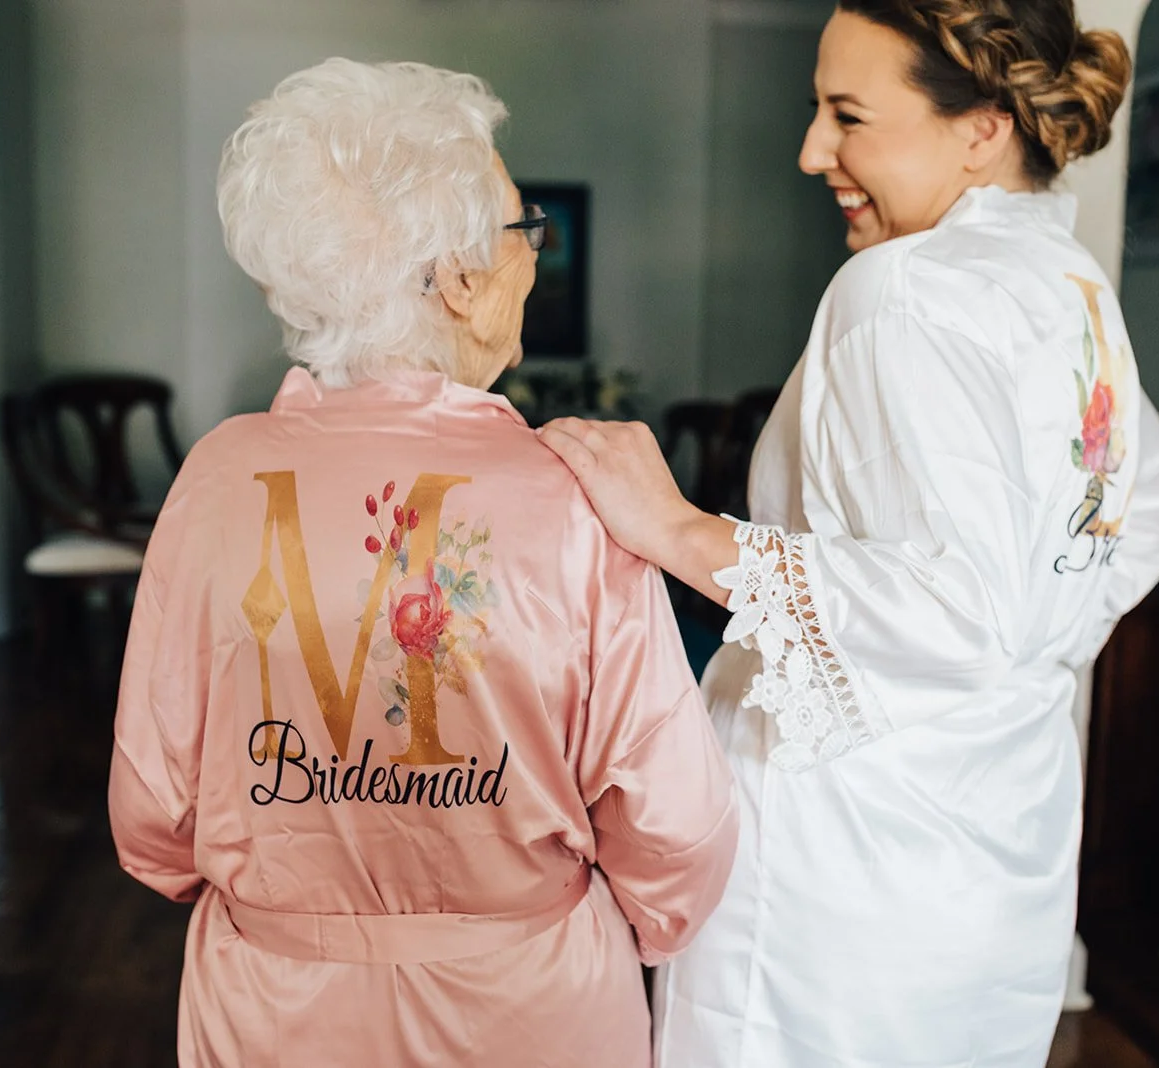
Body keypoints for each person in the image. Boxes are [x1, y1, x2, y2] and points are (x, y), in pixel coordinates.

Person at [539, 3, 1159, 1064]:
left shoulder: (900, 290)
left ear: (982, 126)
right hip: (1004, 841)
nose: (812, 151)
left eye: (848, 116)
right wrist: (1037, 646)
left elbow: (956, 607)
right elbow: (1151, 502)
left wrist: (677, 528)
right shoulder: (1067, 283)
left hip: (841, 866)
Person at [108, 58, 738, 1068]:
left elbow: (153, 812)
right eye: (523, 228)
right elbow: (675, 829)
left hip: (272, 1009)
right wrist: (637, 928)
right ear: (457, 278)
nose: (533, 253)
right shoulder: (575, 492)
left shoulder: (217, 478)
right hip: (530, 1008)